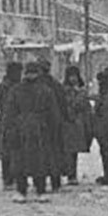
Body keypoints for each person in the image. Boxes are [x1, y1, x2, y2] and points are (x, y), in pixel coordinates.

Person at [1, 61, 61, 203]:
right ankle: (40, 189)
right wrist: (53, 130)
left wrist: (9, 129)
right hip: (40, 129)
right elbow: (53, 114)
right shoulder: (45, 90)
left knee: (20, 161)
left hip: (20, 128)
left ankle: (22, 190)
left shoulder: (16, 90)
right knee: (39, 161)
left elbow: (9, 112)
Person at [35, 59, 66, 194]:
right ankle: (55, 182)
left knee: (38, 154)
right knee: (54, 154)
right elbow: (62, 104)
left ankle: (39, 182)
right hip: (54, 124)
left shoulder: (35, 87)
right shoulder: (55, 85)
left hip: (39, 125)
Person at [60, 65, 93, 186]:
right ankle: (69, 174)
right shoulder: (64, 91)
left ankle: (72, 174)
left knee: (74, 152)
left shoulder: (81, 91)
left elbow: (85, 107)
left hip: (78, 124)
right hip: (67, 124)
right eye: (70, 76)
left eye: (74, 76)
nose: (73, 78)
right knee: (67, 151)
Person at [0, 62, 23, 188]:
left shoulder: (6, 86)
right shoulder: (8, 87)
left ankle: (12, 177)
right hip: (10, 120)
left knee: (12, 150)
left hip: (11, 119)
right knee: (8, 151)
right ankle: (8, 178)